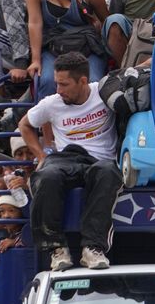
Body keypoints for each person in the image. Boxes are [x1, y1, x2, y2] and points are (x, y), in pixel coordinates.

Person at [18, 52, 122, 271]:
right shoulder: (52, 103)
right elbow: (24, 125)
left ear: (83, 81)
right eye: (57, 83)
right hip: (66, 158)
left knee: (109, 172)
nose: (59, 90)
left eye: (64, 85)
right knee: (46, 175)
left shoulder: (103, 92)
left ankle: (93, 248)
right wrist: (41, 155)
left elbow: (139, 68)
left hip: (99, 160)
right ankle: (56, 248)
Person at [25, 0, 110, 100]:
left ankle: (92, 122)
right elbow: (35, 23)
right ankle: (48, 123)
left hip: (87, 48)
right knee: (47, 81)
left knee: (92, 83)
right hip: (54, 49)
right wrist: (35, 60)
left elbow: (107, 20)